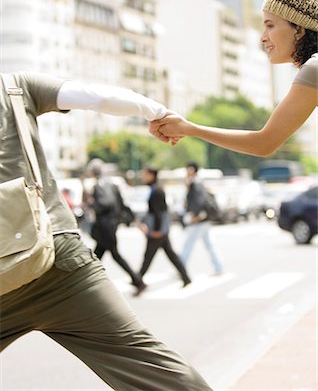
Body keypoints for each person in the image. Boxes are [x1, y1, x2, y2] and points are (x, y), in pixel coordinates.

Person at [0, 73, 212, 391]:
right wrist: (157, 112)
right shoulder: (14, 86)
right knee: (149, 363)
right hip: (57, 258)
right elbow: (94, 96)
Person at [150, 0, 318, 156]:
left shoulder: (314, 68)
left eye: (270, 26)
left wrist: (190, 128)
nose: (263, 38)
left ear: (298, 30)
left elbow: (264, 143)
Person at [86, 159, 146, 297]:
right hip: (111, 225)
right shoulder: (112, 184)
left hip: (104, 226)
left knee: (113, 255)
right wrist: (132, 219)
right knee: (98, 256)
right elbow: (121, 203)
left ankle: (137, 281)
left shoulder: (100, 185)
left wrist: (92, 205)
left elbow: (105, 203)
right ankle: (89, 282)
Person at [137, 165, 192, 287]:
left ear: (152, 175)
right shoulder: (155, 188)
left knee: (149, 256)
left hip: (158, 230)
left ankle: (137, 279)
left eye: (144, 174)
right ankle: (186, 277)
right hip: (161, 229)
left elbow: (158, 212)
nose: (142, 176)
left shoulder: (156, 190)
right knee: (170, 255)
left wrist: (157, 229)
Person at [181, 162, 224, 275]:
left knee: (189, 244)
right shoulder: (198, 182)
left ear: (191, 170)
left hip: (199, 219)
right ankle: (219, 267)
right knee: (209, 244)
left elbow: (198, 201)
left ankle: (180, 267)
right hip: (203, 218)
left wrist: (195, 215)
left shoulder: (196, 183)